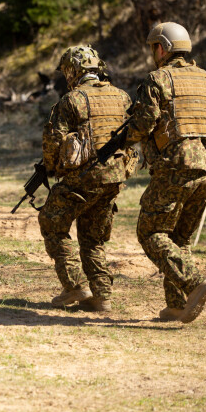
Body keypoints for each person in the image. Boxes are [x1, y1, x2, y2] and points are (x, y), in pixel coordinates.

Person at [124, 22, 206, 322]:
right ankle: (178, 304)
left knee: (151, 232)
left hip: (175, 168)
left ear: (163, 48)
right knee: (178, 239)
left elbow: (143, 124)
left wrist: (125, 139)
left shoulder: (157, 79)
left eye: (153, 47)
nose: (152, 53)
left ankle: (195, 283)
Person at [38, 45, 136, 312]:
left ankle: (74, 285)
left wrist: (51, 169)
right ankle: (102, 296)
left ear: (73, 71)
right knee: (93, 238)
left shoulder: (72, 100)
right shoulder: (122, 96)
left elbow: (54, 142)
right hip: (113, 179)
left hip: (83, 179)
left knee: (52, 223)